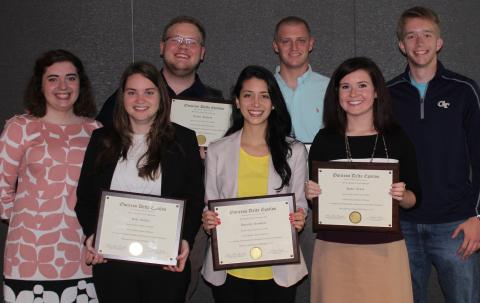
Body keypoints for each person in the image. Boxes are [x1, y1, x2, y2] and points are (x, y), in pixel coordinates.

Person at [74, 61, 204, 303]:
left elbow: (195, 199)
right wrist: (93, 235)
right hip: (112, 262)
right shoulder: (101, 139)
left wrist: (185, 238)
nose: (139, 99)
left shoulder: (184, 139)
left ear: (161, 97)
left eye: (149, 92)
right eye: (131, 92)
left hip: (165, 263)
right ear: (122, 98)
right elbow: (85, 198)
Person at [305, 57, 421, 303]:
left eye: (362, 85)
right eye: (345, 86)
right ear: (336, 93)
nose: (353, 93)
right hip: (334, 251)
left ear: (377, 91)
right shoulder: (325, 140)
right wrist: (312, 195)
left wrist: (403, 196)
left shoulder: (396, 138)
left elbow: (415, 198)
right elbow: (316, 203)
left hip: (385, 250)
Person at [388, 6, 480, 303]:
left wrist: (478, 216)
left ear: (439, 42)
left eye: (427, 35)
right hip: (403, 226)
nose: (419, 43)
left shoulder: (464, 91)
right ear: (401, 45)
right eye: (411, 36)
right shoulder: (388, 94)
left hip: (455, 225)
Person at [201, 65, 308, 303]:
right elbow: (210, 203)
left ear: (274, 103)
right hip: (229, 268)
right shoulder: (217, 150)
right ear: (237, 102)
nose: (256, 103)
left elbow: (299, 202)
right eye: (248, 95)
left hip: (278, 268)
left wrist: (300, 216)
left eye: (264, 96)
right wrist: (208, 220)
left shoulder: (295, 151)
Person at [0, 49, 99, 302]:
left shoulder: (94, 130)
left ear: (81, 83)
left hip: (84, 252)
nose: (63, 86)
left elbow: (101, 191)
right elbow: (1, 188)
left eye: (71, 77)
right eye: (53, 78)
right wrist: (32, 220)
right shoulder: (20, 128)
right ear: (40, 85)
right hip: (30, 256)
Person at [96, 15, 222, 126]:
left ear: (202, 53)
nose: (183, 46)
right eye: (176, 40)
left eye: (191, 42)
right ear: (162, 48)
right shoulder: (130, 96)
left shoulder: (216, 102)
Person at [273, 16, 329, 143]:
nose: (294, 47)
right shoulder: (263, 88)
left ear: (310, 44)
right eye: (286, 41)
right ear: (276, 46)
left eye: (301, 41)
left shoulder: (330, 88)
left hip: (317, 162)